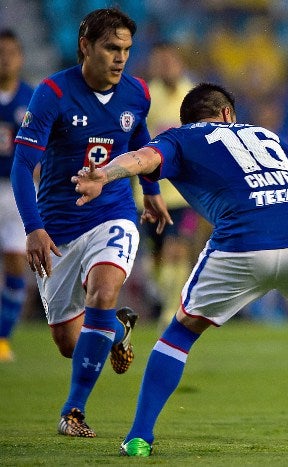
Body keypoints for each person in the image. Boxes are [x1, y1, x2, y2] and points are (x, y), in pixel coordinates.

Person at [71, 82, 288, 456]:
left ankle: (140, 437)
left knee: (180, 333)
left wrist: (105, 173)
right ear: (228, 114)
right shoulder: (269, 137)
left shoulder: (180, 138)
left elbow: (143, 159)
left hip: (243, 238)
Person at [10, 8, 170, 438]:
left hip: (112, 214)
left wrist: (151, 193)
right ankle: (118, 328)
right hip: (58, 227)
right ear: (85, 46)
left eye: (126, 50)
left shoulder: (137, 93)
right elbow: (22, 166)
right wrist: (33, 227)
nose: (120, 58)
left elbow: (139, 141)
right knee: (68, 342)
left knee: (102, 291)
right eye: (111, 48)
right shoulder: (52, 93)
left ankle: (73, 411)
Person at [136, 41, 200, 329]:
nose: (165, 67)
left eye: (170, 61)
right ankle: (167, 298)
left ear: (180, 63)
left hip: (185, 192)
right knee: (157, 257)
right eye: (159, 62)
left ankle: (171, 311)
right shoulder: (147, 98)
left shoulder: (194, 97)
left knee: (179, 249)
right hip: (151, 192)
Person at [0, 29, 33, 362]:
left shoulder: (32, 98)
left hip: (16, 191)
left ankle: (2, 339)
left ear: (21, 58)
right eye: (0, 52)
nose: (5, 58)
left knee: (14, 264)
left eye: (10, 52)